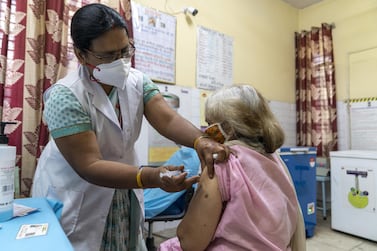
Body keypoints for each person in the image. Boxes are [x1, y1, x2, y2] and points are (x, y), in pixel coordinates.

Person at [31, 3, 227, 251]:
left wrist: (200, 141)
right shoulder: (65, 96)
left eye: (124, 51)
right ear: (81, 55)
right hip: (78, 194)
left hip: (123, 191)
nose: (120, 62)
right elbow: (89, 165)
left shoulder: (137, 81)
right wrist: (152, 176)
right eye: (108, 56)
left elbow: (167, 119)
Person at [159, 85, 306, 251]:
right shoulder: (276, 160)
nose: (205, 132)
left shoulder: (223, 162)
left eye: (209, 124)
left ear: (228, 127)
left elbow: (189, 241)